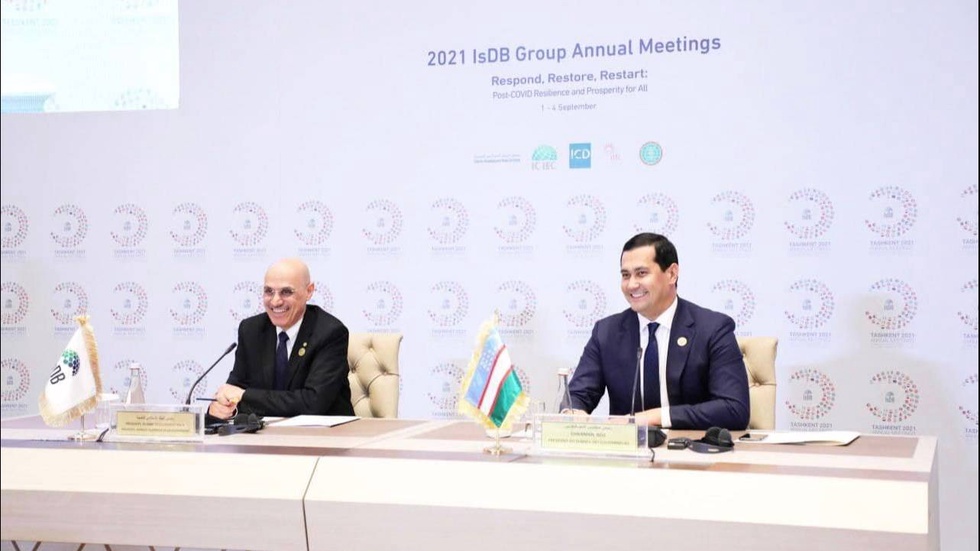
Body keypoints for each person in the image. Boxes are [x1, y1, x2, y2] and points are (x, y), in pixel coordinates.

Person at [566, 233, 749, 430]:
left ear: (672, 274)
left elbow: (734, 409)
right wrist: (573, 413)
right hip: (628, 448)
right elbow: (576, 396)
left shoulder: (713, 329)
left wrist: (653, 417)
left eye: (641, 273)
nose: (631, 284)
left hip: (692, 446)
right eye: (625, 275)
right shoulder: (606, 332)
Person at [208, 258, 354, 419]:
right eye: (269, 291)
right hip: (266, 432)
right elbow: (235, 388)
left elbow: (313, 402)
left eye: (286, 292)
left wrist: (245, 396)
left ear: (309, 291)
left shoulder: (329, 332)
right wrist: (222, 407)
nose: (275, 301)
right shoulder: (251, 330)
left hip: (324, 432)